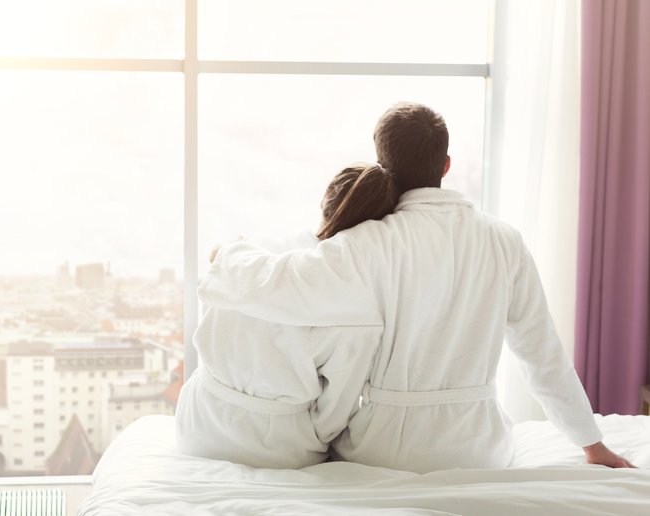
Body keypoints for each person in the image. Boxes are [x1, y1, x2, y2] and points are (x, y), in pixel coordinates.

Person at [199, 102, 634, 472]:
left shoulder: (367, 243)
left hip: (383, 452)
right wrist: (591, 444)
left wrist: (228, 255)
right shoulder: (505, 241)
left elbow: (280, 285)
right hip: (480, 450)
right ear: (446, 165)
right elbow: (543, 355)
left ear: (381, 164)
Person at [175, 164, 397, 468]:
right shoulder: (359, 308)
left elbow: (213, 309)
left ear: (326, 196)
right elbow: (335, 412)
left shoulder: (251, 250)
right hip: (278, 447)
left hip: (198, 422)